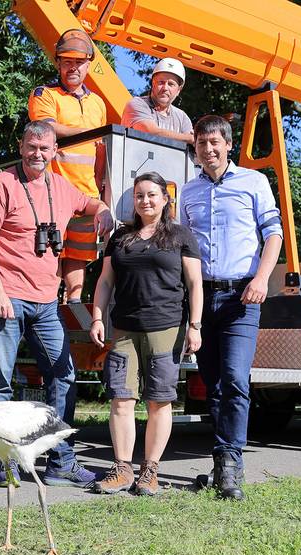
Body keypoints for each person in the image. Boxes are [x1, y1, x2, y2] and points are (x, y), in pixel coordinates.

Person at [0, 120, 113, 487]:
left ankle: (61, 461)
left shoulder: (60, 186)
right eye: (32, 147)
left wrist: (103, 212)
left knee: (63, 373)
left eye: (45, 149)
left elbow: (91, 202)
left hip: (46, 302)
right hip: (8, 298)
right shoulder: (2, 184)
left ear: (55, 152)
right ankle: (6, 464)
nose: (38, 154)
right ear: (22, 147)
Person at [179, 115, 283, 500]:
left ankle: (229, 463)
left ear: (227, 144)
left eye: (214, 142)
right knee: (214, 384)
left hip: (243, 296)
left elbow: (273, 234)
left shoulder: (253, 182)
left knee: (236, 379)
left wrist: (261, 279)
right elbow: (184, 249)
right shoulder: (188, 192)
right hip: (202, 299)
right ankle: (223, 458)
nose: (208, 149)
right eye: (201, 143)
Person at [89, 171, 203, 496]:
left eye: (152, 194)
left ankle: (150, 471)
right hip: (125, 328)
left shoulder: (181, 236)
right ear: (134, 201)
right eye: (140, 195)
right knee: (121, 399)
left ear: (165, 199)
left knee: (159, 401)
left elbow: (195, 285)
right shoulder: (121, 237)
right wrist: (97, 318)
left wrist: (195, 326)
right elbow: (105, 282)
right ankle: (122, 469)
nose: (145, 200)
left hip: (166, 327)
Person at [28, 29, 107, 303]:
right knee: (51, 251)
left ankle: (72, 302)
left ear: (88, 65)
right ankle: (47, 303)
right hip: (54, 192)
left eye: (79, 62)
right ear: (59, 63)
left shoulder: (98, 103)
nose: (73, 67)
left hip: (87, 194)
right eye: (67, 61)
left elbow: (100, 151)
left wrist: (100, 190)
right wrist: (88, 130)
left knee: (78, 255)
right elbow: (47, 129)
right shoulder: (45, 94)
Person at [121, 58, 194, 144]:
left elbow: (194, 144)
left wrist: (192, 139)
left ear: (178, 90)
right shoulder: (137, 104)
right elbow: (152, 133)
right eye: (161, 82)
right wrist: (190, 138)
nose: (165, 88)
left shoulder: (182, 118)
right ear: (153, 83)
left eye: (171, 84)